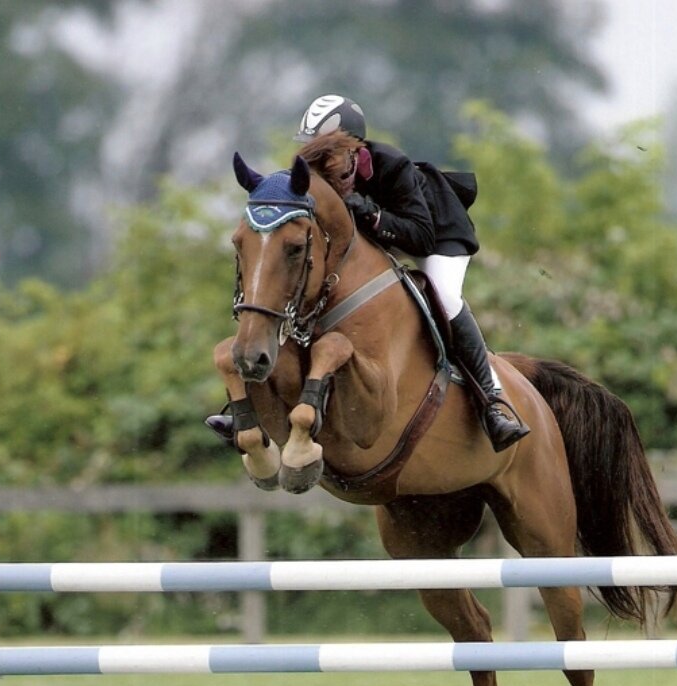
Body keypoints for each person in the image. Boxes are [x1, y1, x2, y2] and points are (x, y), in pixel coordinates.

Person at [210, 94, 528, 452]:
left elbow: (419, 237)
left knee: (446, 296)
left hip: (435, 237)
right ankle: (251, 400)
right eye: (311, 150)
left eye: (326, 150)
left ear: (353, 148)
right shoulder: (310, 172)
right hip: (375, 240)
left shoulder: (391, 165)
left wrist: (370, 212)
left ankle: (492, 401)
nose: (316, 160)